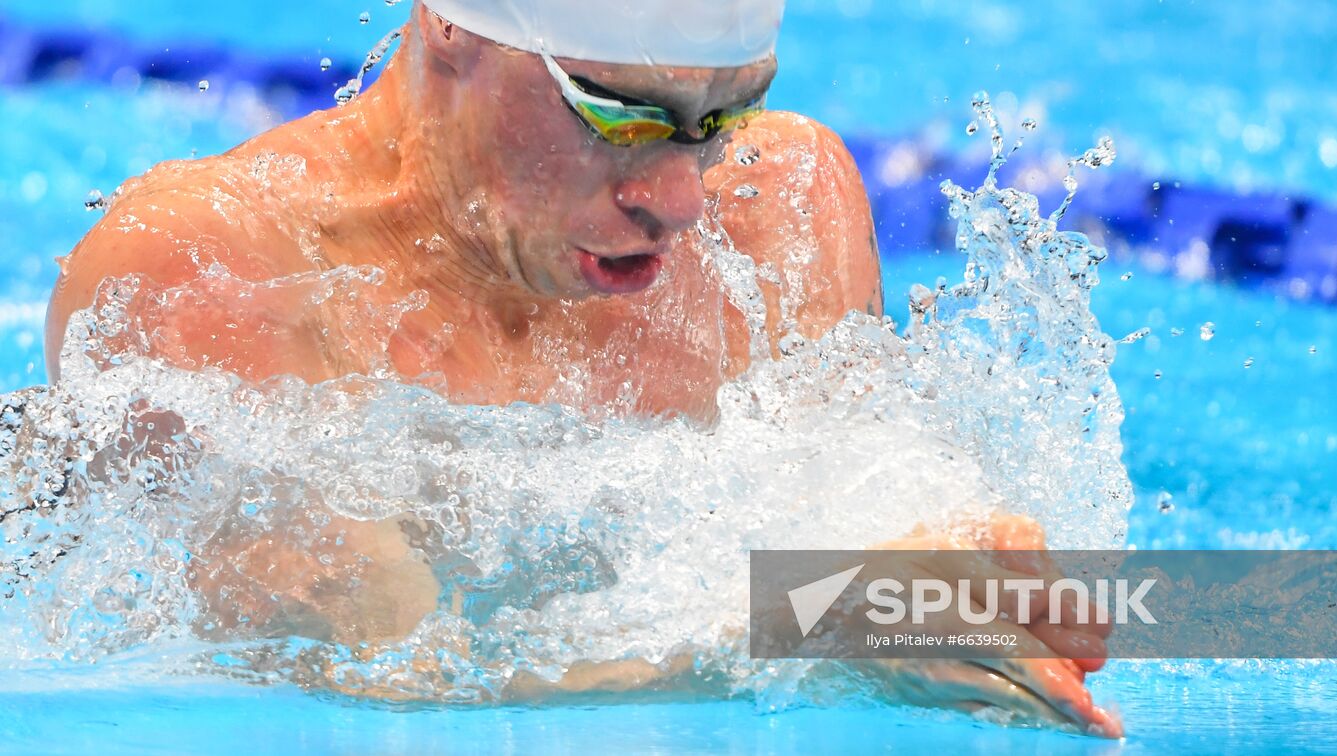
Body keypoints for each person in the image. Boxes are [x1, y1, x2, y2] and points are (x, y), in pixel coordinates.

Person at [42, 0, 1121, 737]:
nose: (680, 197)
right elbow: (398, 678)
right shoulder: (215, 267)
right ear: (448, 30)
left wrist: (956, 557)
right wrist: (809, 619)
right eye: (617, 111)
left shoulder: (778, 204)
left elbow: (855, 519)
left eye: (723, 115)